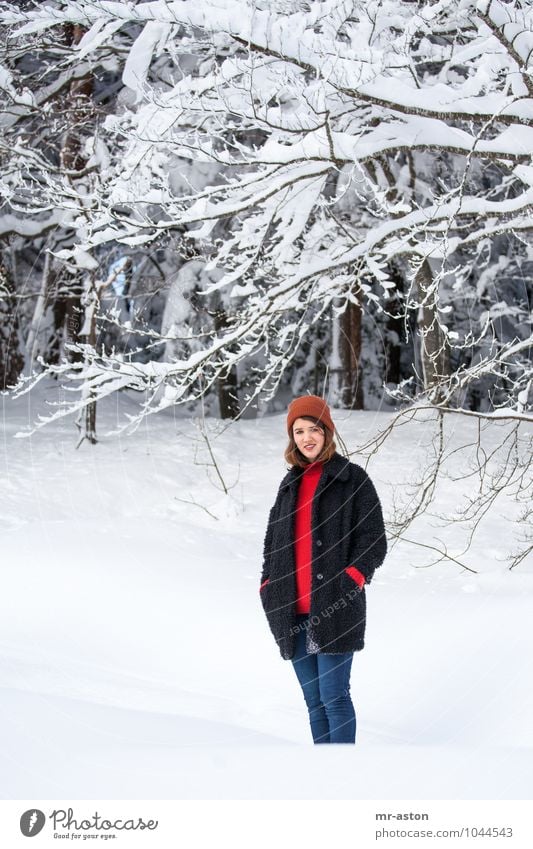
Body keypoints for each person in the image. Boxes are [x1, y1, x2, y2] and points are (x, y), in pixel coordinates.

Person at [259, 395, 387, 744]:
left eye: (314, 429)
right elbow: (272, 544)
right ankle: (324, 778)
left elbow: (374, 538)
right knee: (314, 703)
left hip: (335, 607)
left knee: (334, 697)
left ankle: (345, 780)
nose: (306, 438)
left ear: (327, 431)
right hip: (291, 611)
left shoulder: (352, 480)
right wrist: (267, 586)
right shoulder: (289, 485)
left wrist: (353, 579)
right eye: (298, 431)